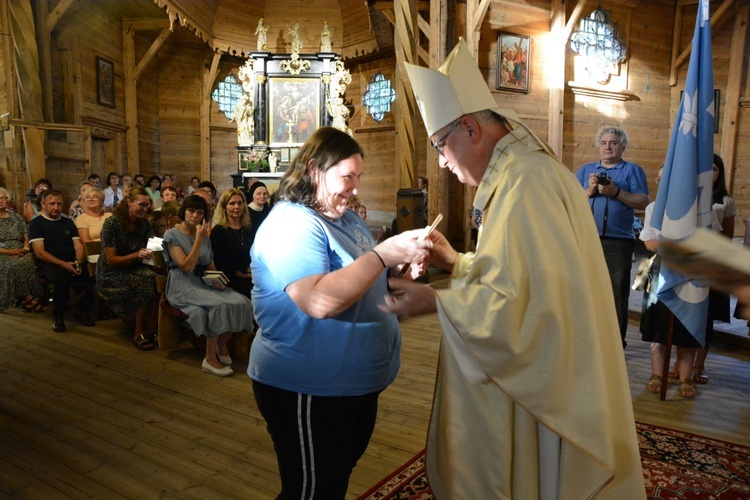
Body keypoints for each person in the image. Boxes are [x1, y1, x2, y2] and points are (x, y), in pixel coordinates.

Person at [382, 39, 645, 498]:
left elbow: (528, 314)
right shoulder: (522, 174)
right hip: (553, 371)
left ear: (470, 128)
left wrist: (437, 301)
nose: (443, 163)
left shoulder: (526, 183)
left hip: (548, 386)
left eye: (442, 146)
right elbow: (519, 278)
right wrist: (457, 262)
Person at [248, 127, 429, 499]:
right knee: (311, 491)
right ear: (314, 170)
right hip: (308, 387)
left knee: (329, 482)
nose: (355, 188)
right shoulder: (292, 223)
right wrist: (384, 254)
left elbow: (363, 275)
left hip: (353, 385)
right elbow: (318, 301)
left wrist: (399, 269)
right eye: (347, 177)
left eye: (358, 178)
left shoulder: (347, 219)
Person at [163, 195, 254, 376]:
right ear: (184, 211)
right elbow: (187, 266)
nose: (195, 215)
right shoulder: (172, 235)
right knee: (219, 305)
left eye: (200, 212)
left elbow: (210, 265)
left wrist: (218, 282)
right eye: (191, 210)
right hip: (182, 285)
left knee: (243, 302)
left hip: (203, 282)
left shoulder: (204, 235)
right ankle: (209, 358)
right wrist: (198, 239)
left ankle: (222, 344)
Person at [576, 126, 649, 348]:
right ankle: (586, 340)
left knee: (617, 294)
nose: (608, 147)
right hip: (587, 240)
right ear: (599, 146)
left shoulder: (632, 170)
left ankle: (615, 345)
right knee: (584, 290)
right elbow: (568, 200)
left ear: (622, 147)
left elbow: (643, 202)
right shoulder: (586, 170)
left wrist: (616, 192)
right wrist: (588, 191)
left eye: (614, 143)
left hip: (619, 242)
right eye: (604, 143)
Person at [639, 169, 699, 398]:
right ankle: (657, 373)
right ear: (658, 182)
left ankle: (686, 376)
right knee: (657, 324)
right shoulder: (653, 207)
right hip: (657, 269)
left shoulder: (699, 208)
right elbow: (649, 243)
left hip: (691, 272)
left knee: (687, 327)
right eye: (664, 180)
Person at [690, 154, 735, 385]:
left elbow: (727, 238)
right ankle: (681, 362)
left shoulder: (725, 201)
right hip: (687, 263)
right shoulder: (688, 196)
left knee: (705, 318)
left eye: (715, 168)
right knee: (686, 314)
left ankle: (699, 364)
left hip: (711, 266)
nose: (710, 173)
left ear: (720, 173)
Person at [97, 186, 159, 350]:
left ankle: (153, 330)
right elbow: (111, 260)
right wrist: (136, 255)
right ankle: (139, 332)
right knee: (144, 282)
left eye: (147, 206)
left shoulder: (143, 223)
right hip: (112, 272)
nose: (145, 209)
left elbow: (154, 243)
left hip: (134, 266)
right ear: (129, 202)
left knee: (157, 280)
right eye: (141, 205)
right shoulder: (112, 223)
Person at [28, 189, 96, 332]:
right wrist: (64, 265)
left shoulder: (68, 222)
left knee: (97, 275)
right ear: (43, 204)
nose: (56, 207)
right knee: (62, 278)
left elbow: (78, 246)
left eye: (59, 204)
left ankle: (80, 310)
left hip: (71, 261)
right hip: (49, 263)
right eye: (52, 203)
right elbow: (40, 252)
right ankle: (58, 316)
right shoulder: (37, 224)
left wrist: (78, 262)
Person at [0, 187, 41, 312]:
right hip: (2, 252)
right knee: (11, 265)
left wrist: (25, 248)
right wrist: (9, 252)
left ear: (8, 200)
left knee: (28, 261)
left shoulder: (16, 217)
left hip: (20, 250)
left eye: (3, 198)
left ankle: (23, 298)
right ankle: (27, 297)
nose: (0, 200)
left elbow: (26, 235)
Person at [210, 188, 253, 299]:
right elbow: (221, 262)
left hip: (250, 275)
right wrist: (243, 275)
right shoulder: (219, 231)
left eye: (240, 203)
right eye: (232, 203)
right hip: (230, 279)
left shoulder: (248, 229)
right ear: (224, 207)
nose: (237, 207)